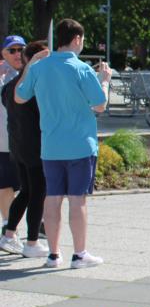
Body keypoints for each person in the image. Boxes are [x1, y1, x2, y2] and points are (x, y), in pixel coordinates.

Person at [16, 19, 110, 269]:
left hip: (51, 146)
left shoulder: (40, 67)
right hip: (80, 145)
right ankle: (79, 255)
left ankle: (53, 255)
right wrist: (104, 80)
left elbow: (20, 96)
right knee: (77, 200)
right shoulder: (81, 68)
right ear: (77, 39)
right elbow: (100, 104)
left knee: (52, 198)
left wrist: (30, 65)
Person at [0, 41, 48, 257]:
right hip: (34, 147)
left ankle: (9, 234)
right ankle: (32, 242)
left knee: (27, 192)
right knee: (37, 193)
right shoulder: (33, 87)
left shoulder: (11, 85)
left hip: (17, 147)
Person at [0, 35, 25, 255]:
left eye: (20, 49)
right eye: (12, 50)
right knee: (5, 186)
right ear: (3, 54)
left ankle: (38, 227)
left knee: (29, 187)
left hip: (26, 143)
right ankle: (10, 230)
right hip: (3, 143)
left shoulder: (29, 74)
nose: (18, 54)